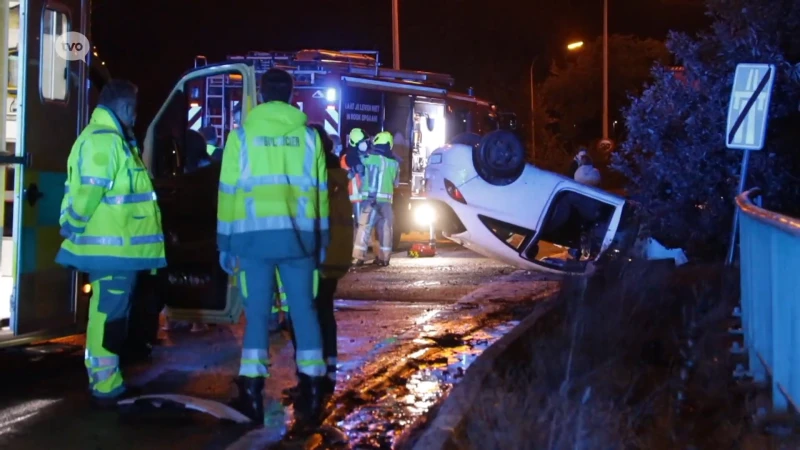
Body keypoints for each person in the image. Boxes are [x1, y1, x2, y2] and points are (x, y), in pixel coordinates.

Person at [217, 68, 329, 431]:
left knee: (256, 319)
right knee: (304, 312)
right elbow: (320, 196)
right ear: (291, 94)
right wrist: (321, 242)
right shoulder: (311, 138)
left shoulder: (242, 137)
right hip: (299, 243)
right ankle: (312, 393)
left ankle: (251, 394)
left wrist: (225, 243)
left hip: (253, 242)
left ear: (261, 95)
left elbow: (228, 195)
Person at [55, 79, 167, 408]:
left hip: (116, 250)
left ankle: (105, 378)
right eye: (133, 108)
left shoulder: (110, 139)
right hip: (113, 249)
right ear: (122, 107)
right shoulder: (106, 141)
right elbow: (90, 191)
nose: (135, 115)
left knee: (108, 314)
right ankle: (105, 385)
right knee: (110, 316)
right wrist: (72, 226)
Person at [283, 124, 352, 402]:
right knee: (323, 313)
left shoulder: (314, 176)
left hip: (311, 257)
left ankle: (309, 378)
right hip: (333, 257)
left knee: (302, 316)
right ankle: (326, 374)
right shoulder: (336, 174)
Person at [352, 132, 400, 267]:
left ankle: (358, 258)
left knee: (364, 228)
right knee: (386, 230)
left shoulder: (368, 158)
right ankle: (384, 259)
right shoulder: (394, 163)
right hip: (386, 203)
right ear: (389, 144)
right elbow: (396, 183)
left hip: (370, 201)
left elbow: (357, 170)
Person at [340, 128, 370, 239]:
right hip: (354, 196)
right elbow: (345, 175)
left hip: (362, 195)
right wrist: (353, 171)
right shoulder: (347, 158)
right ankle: (356, 248)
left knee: (363, 224)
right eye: (363, 142)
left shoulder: (365, 157)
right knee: (357, 224)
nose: (365, 144)